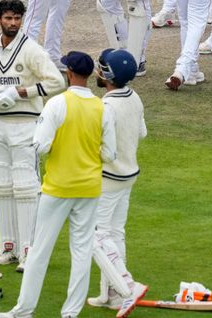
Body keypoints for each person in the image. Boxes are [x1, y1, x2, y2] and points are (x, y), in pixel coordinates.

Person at [0, 51, 116, 318]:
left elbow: (40, 146)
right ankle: (71, 313)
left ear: (69, 73)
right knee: (82, 252)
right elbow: (110, 154)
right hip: (89, 189)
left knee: (39, 251)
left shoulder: (57, 104)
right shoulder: (101, 107)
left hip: (58, 189)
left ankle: (23, 311)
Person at [0, 0, 65, 273]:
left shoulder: (32, 49)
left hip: (26, 123)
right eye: (8, 18)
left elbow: (58, 81)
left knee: (25, 186)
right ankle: (7, 247)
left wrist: (23, 92)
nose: (13, 23)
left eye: (17, 18)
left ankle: (28, 251)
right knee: (1, 185)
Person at [87, 49, 149, 316]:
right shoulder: (135, 98)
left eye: (101, 68)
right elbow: (142, 133)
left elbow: (101, 148)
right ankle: (110, 295)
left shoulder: (105, 107)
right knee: (115, 233)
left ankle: (126, 285)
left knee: (94, 236)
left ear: (107, 75)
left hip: (108, 178)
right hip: (128, 175)